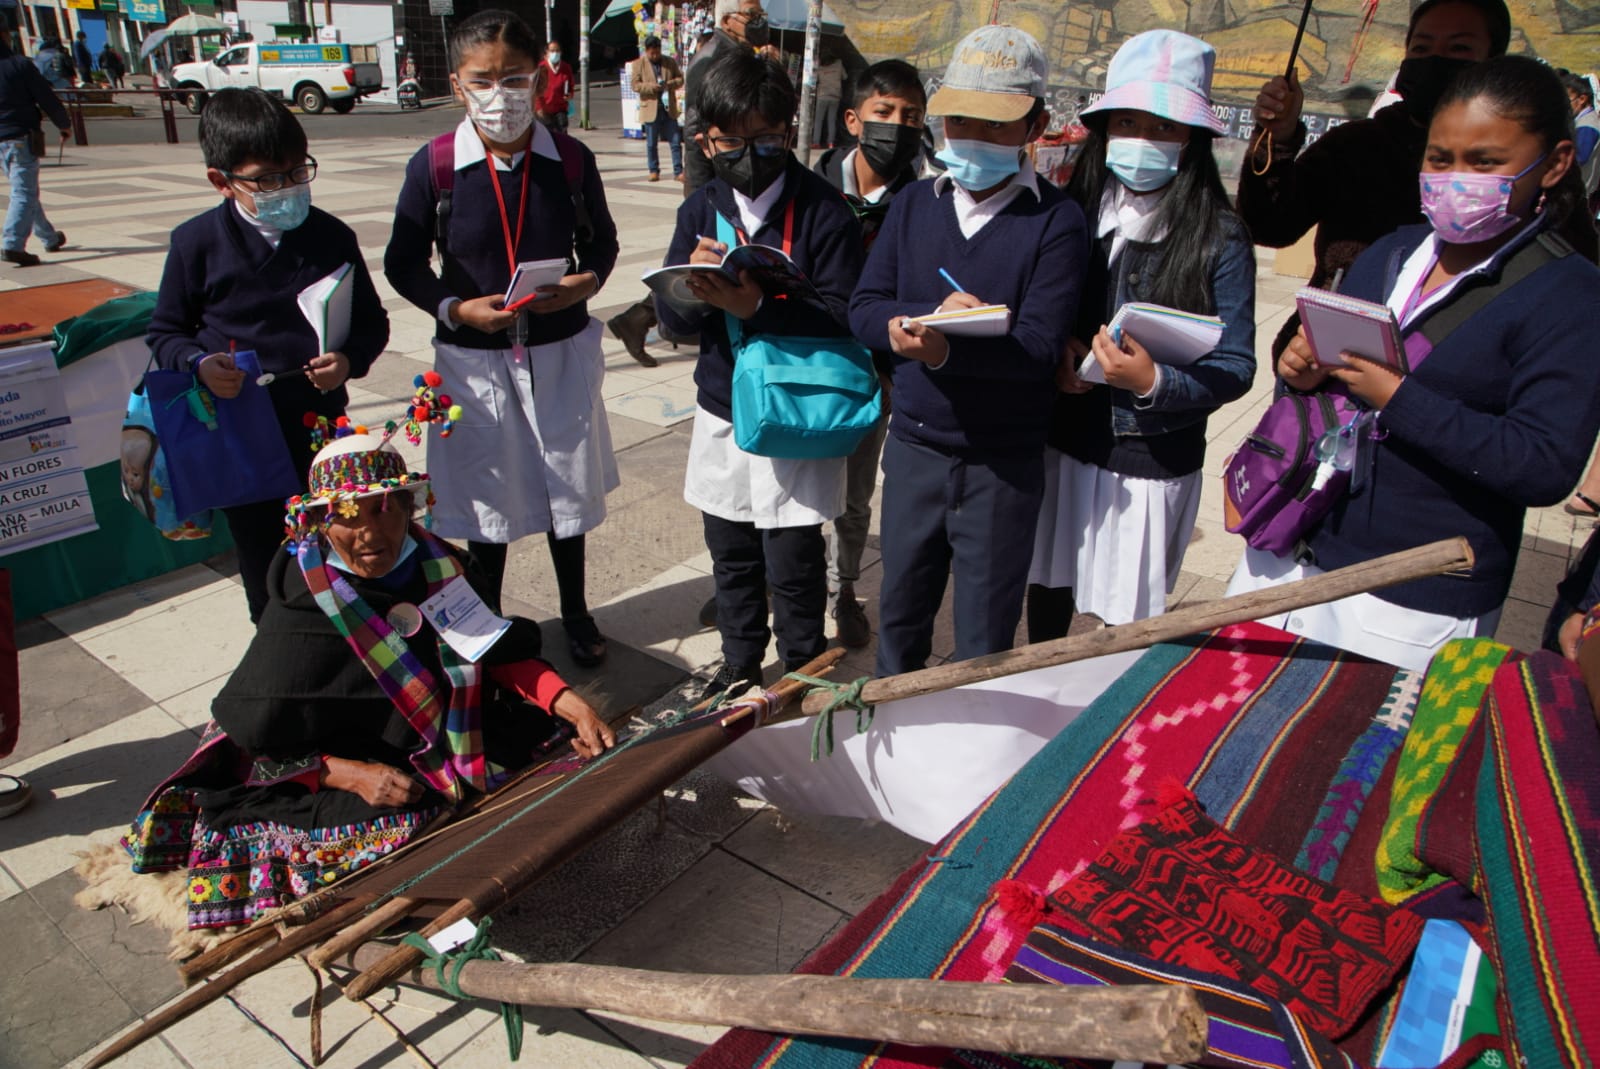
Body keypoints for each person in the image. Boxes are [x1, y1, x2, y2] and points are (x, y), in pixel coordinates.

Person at [120, 431, 616, 929]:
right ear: (317, 522)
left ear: (408, 506)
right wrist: (350, 774)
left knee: (554, 744)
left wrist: (566, 700)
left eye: (383, 509)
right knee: (394, 829)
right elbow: (259, 735)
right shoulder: (304, 608)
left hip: (440, 728)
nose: (368, 533)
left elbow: (487, 646)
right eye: (345, 515)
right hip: (333, 752)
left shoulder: (441, 566)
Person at [1227, 55, 1600, 671]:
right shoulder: (1390, 252)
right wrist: (1301, 375)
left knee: (1353, 764)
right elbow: (1327, 391)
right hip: (1291, 548)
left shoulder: (1570, 296)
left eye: (1485, 163)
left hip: (1411, 590)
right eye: (1440, 158)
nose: (1456, 178)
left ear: (1555, 163)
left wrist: (1397, 398)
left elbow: (1542, 465)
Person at [385, 9, 621, 668]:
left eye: (514, 78)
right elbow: (402, 262)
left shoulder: (569, 158)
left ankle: (575, 610)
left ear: (537, 78)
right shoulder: (434, 166)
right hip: (474, 359)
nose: (500, 95)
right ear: (458, 84)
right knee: (487, 497)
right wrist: (455, 307)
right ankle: (483, 619)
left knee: (562, 491)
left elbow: (601, 240)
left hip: (558, 351)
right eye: (483, 80)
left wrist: (586, 282)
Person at [849, 24, 1087, 676]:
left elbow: (1039, 346)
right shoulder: (912, 207)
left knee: (985, 639)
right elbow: (865, 305)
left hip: (1001, 466)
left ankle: (972, 762)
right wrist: (900, 327)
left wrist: (945, 352)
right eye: (959, 121)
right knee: (899, 618)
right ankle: (890, 748)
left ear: (1036, 125)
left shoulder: (1058, 222)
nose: (974, 139)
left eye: (997, 124)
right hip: (917, 449)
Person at [1028, 31, 1256, 639]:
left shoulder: (1220, 236)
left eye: (1163, 128)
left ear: (1194, 140)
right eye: (1127, 122)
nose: (1142, 141)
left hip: (1150, 455)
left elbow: (1236, 364)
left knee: (1123, 620)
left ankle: (1103, 720)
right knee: (1048, 584)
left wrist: (1154, 381)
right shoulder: (1069, 211)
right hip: (1063, 435)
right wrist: (1059, 352)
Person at [656, 48, 863, 698]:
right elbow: (674, 322)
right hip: (724, 409)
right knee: (733, 553)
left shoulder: (825, 210)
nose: (748, 152)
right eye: (730, 140)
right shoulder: (701, 208)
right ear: (706, 138)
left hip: (798, 413)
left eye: (765, 138)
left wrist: (758, 304)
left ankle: (802, 668)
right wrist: (688, 289)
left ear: (788, 127)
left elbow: (845, 315)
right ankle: (740, 662)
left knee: (794, 560)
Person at [147, 88, 389, 623]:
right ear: (222, 180)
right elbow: (165, 331)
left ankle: (350, 651)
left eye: (298, 172)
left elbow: (372, 323)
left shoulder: (330, 235)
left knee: (340, 542)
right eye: (268, 179)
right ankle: (278, 647)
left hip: (320, 425)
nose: (288, 188)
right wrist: (199, 364)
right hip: (240, 432)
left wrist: (348, 360)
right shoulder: (196, 243)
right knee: (263, 558)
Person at [1238, 0, 1510, 359]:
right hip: (1325, 361)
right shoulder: (1357, 144)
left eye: (1459, 48)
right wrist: (1276, 138)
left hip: (1455, 368)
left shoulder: (1517, 161)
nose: (1435, 60)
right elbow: (1269, 225)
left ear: (1493, 62)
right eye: (1422, 48)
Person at [811, 58, 926, 648]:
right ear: (854, 119)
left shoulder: (926, 199)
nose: (897, 126)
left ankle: (843, 591)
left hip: (876, 372)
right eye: (884, 113)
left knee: (854, 499)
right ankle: (774, 583)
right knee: (791, 484)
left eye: (911, 115)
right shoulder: (810, 185)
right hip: (808, 363)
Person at [605, 0, 770, 370]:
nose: (760, 22)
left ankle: (635, 319)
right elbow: (699, 126)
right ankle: (643, 318)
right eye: (753, 15)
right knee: (702, 264)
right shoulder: (713, 57)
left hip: (725, 181)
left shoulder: (739, 53)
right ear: (729, 18)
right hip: (713, 181)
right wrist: (703, 189)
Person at [0, 34, 70, 267]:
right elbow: (45, 96)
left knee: (25, 189)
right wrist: (63, 123)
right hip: (19, 135)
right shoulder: (19, 65)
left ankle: (49, 237)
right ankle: (12, 244)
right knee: (24, 192)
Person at [633, 35, 684, 183]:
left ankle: (678, 171)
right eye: (652, 53)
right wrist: (651, 87)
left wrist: (669, 84)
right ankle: (653, 170)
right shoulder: (639, 64)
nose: (655, 55)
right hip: (651, 107)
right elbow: (635, 85)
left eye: (657, 52)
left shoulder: (669, 62)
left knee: (675, 141)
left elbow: (680, 79)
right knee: (651, 143)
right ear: (647, 51)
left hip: (668, 107)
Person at [537, 38, 575, 131]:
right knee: (547, 134)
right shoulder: (541, 68)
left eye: (557, 51)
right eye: (552, 51)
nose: (555, 53)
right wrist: (538, 108)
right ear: (547, 53)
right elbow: (536, 89)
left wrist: (570, 95)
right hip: (544, 109)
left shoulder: (566, 68)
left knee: (562, 131)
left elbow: (571, 86)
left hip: (560, 108)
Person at [810, 51, 842, 149]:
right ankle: (831, 143)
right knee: (831, 120)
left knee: (819, 120)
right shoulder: (839, 64)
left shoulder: (819, 68)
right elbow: (845, 76)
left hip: (822, 96)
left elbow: (815, 80)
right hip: (835, 96)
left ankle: (816, 142)